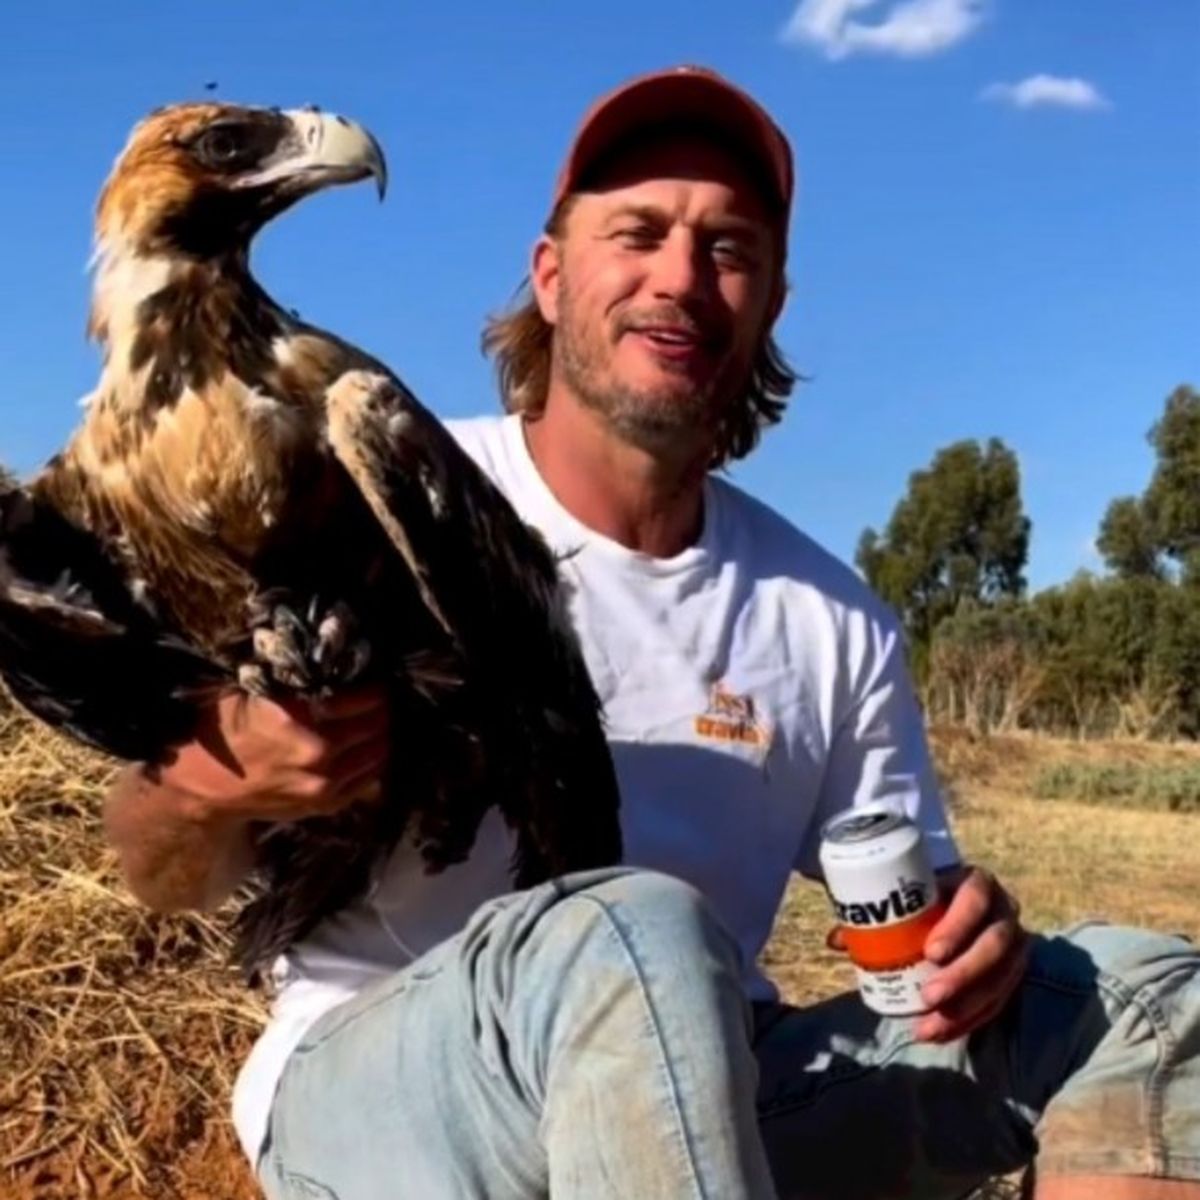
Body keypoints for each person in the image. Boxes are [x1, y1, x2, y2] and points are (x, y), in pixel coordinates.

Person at [103, 66, 1200, 1200]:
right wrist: (215, 776)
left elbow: (909, 915)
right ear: (551, 274)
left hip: (703, 1086)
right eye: (638, 233)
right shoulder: (369, 489)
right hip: (384, 1078)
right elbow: (148, 854)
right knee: (631, 933)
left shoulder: (831, 619)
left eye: (728, 249)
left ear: (770, 302)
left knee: (1152, 997)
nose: (680, 278)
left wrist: (969, 934)